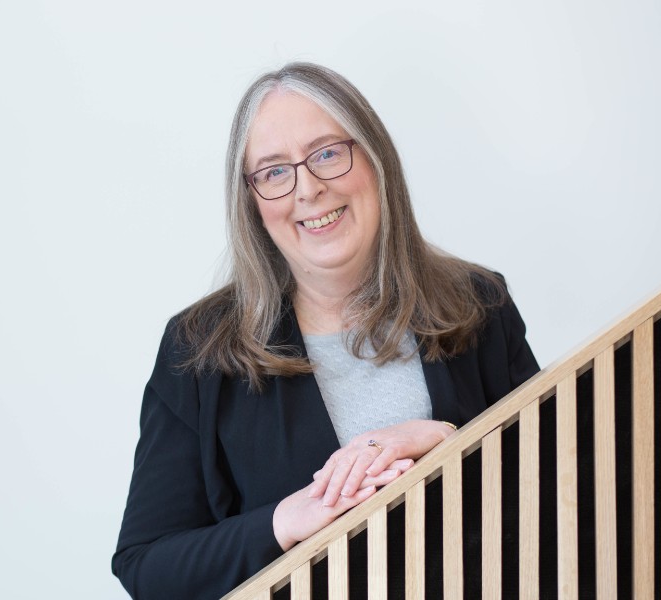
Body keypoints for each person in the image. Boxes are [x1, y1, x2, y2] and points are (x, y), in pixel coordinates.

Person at [112, 62, 539, 599]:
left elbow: (562, 484)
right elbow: (147, 566)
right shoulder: (199, 350)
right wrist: (284, 522)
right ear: (252, 203)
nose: (307, 189)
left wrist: (450, 442)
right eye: (273, 171)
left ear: (375, 158)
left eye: (328, 154)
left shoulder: (480, 304)